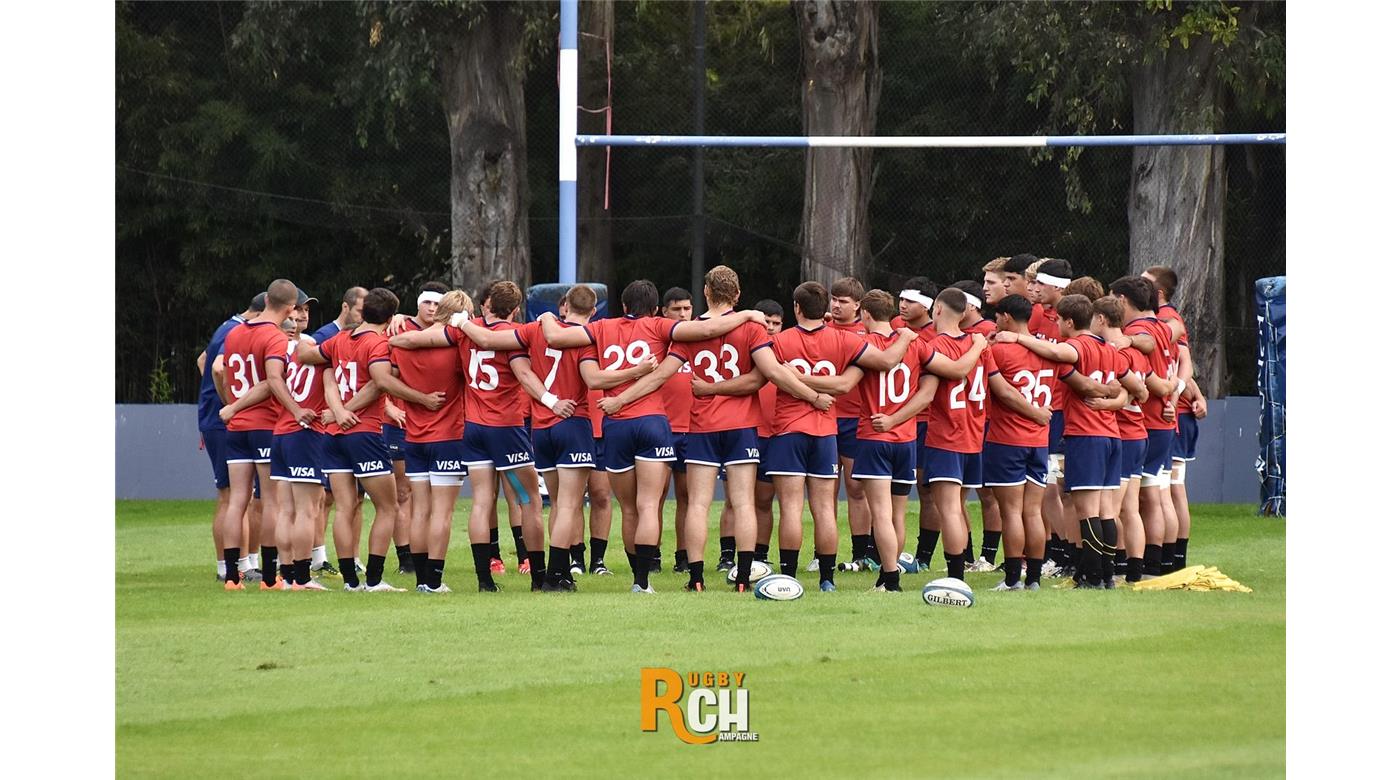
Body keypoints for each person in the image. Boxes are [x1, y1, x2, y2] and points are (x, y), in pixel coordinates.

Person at [539, 280, 764, 593]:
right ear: (657, 309)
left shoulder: (602, 327)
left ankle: (651, 575)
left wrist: (546, 317)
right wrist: (747, 314)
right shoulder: (660, 326)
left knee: (629, 508)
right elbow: (706, 329)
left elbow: (557, 339)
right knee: (649, 505)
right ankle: (642, 582)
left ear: (623, 306)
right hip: (653, 422)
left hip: (616, 424)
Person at [453, 284, 650, 591]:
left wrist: (460, 322)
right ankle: (555, 575)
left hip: (539, 427)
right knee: (563, 504)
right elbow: (593, 379)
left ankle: (497, 577)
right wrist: (637, 372)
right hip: (569, 421)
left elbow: (490, 342)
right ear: (594, 311)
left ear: (565, 305)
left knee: (550, 502)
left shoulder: (535, 329)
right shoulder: (588, 337)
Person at [664, 266, 827, 592]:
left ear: (706, 292)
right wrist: (812, 396)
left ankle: (696, 578)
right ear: (737, 295)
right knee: (743, 503)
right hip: (741, 426)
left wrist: (625, 395)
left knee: (698, 504)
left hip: (702, 425)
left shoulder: (690, 330)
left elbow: (664, 371)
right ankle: (742, 579)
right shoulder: (752, 327)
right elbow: (771, 373)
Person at [768, 281, 919, 593]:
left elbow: (769, 374)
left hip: (788, 429)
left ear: (796, 308)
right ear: (825, 308)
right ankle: (827, 579)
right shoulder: (844, 339)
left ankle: (789, 577)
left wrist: (802, 385)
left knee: (791, 508)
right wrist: (904, 335)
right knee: (825, 508)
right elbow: (886, 361)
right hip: (826, 431)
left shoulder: (780, 341)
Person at [302, 287, 447, 592]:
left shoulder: (340, 339)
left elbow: (307, 356)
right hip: (363, 432)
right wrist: (421, 398)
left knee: (344, 508)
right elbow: (380, 382)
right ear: (391, 317)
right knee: (388, 507)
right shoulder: (378, 343)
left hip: (334, 435)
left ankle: (350, 582)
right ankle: (374, 580)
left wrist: (337, 408)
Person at [216, 280, 312, 589]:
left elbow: (223, 373)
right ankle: (270, 578)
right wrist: (295, 409)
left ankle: (232, 576)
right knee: (270, 501)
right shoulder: (274, 336)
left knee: (237, 501)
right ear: (290, 308)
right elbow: (272, 380)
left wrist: (232, 406)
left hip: (237, 428)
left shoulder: (235, 333)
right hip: (264, 424)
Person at [390, 288, 468, 593]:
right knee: (442, 513)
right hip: (448, 435)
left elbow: (389, 378)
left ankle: (421, 579)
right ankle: (434, 580)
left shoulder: (404, 342)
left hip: (414, 435)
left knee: (419, 510)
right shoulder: (458, 344)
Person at [849, 291, 927, 592]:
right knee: (897, 514)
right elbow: (937, 376)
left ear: (865, 314)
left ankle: (891, 579)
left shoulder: (864, 344)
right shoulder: (915, 343)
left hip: (875, 436)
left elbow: (847, 382)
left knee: (881, 513)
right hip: (906, 439)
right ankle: (886, 576)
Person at [1111, 275, 1188, 576]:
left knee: (1134, 500)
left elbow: (1147, 376)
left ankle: (1132, 564)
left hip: (1146, 421)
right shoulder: (1162, 326)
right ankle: (1162, 563)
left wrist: (1167, 390)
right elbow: (1176, 330)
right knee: (1156, 493)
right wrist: (1174, 391)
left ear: (1122, 300)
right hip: (1162, 422)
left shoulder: (1137, 330)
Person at [1091, 295, 1168, 584]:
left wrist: (1105, 402)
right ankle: (1133, 571)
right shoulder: (1136, 352)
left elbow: (1127, 392)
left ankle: (1108, 571)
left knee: (1110, 508)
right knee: (1130, 508)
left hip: (1123, 434)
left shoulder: (1115, 353)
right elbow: (1147, 390)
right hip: (1139, 434)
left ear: (1101, 319)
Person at [982, 294, 1055, 590]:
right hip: (1039, 441)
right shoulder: (1048, 349)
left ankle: (1013, 578)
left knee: (1011, 512)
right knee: (1033, 511)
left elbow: (1005, 392)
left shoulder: (1000, 350)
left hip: (1007, 439)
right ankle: (1034, 579)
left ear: (1007, 318)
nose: (995, 322)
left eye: (997, 317)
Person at [382, 282, 450, 576]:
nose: (432, 309)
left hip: (438, 425)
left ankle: (425, 559)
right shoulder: (398, 328)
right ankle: (407, 558)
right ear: (418, 304)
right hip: (401, 423)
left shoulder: (450, 333)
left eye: (437, 304)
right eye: (427, 303)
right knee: (404, 492)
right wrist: (389, 407)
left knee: (432, 497)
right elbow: (378, 375)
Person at [1144, 265, 1206, 571]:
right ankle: (1170, 560)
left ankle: (1170, 560)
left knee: (1167, 489)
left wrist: (1175, 395)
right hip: (1172, 412)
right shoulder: (1164, 320)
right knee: (1166, 488)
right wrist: (1194, 393)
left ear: (1158, 293)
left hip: (1171, 415)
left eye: (1144, 283)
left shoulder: (1168, 319)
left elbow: (1183, 364)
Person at [195, 294, 260, 580]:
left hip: (217, 418)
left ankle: (236, 565)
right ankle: (233, 567)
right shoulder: (236, 330)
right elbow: (217, 367)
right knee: (232, 496)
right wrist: (230, 402)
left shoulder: (228, 326)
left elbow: (203, 360)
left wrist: (212, 396)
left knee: (235, 495)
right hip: (223, 421)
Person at [308, 286, 368, 577]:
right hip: (330, 425)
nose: (363, 316)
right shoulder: (325, 336)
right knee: (327, 497)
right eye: (359, 310)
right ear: (346, 307)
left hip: (356, 424)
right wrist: (335, 410)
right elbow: (312, 369)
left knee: (356, 499)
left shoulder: (366, 336)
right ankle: (318, 555)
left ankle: (353, 557)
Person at [952, 280, 1002, 572]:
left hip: (982, 421)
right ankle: (967, 556)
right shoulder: (961, 334)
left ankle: (987, 556)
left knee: (985, 493)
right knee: (958, 494)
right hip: (964, 421)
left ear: (969, 306)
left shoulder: (987, 332)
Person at [827, 277, 873, 573]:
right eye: (834, 299)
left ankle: (861, 553)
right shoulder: (822, 328)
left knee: (856, 488)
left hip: (855, 419)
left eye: (843, 301)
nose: (836, 305)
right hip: (825, 416)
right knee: (825, 489)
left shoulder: (866, 334)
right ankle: (823, 553)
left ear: (858, 305)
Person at [659, 287, 696, 574]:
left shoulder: (699, 339)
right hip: (661, 428)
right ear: (664, 312)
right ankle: (651, 555)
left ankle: (683, 556)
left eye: (687, 308)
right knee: (654, 497)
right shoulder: (657, 341)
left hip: (692, 429)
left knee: (687, 497)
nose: (683, 314)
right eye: (676, 309)